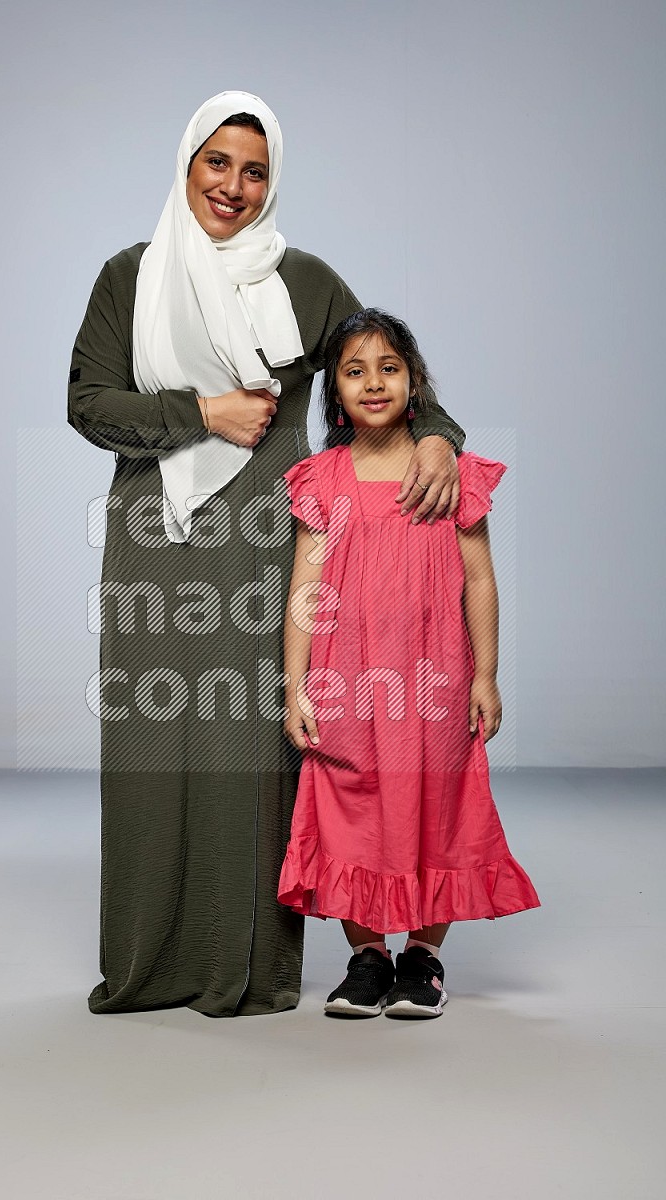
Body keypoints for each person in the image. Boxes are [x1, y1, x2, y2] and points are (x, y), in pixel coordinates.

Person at [68, 93, 466, 1018]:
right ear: (187, 164)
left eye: (255, 171)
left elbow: (383, 367)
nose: (234, 187)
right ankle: (147, 961)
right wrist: (199, 413)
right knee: (151, 740)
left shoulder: (307, 278)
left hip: (272, 545)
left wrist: (438, 435)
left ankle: (244, 964)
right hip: (157, 537)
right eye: (218, 163)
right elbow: (88, 402)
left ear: (271, 180)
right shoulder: (129, 277)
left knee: (256, 748)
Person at [279, 308, 539, 1018]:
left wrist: (485, 674)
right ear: (334, 392)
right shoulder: (321, 478)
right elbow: (305, 585)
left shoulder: (449, 473)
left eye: (388, 368)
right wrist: (295, 683)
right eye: (354, 372)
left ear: (414, 383)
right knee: (348, 809)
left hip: (434, 681)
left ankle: (423, 959)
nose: (372, 383)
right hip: (347, 682)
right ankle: (367, 957)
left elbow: (480, 578)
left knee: (440, 806)